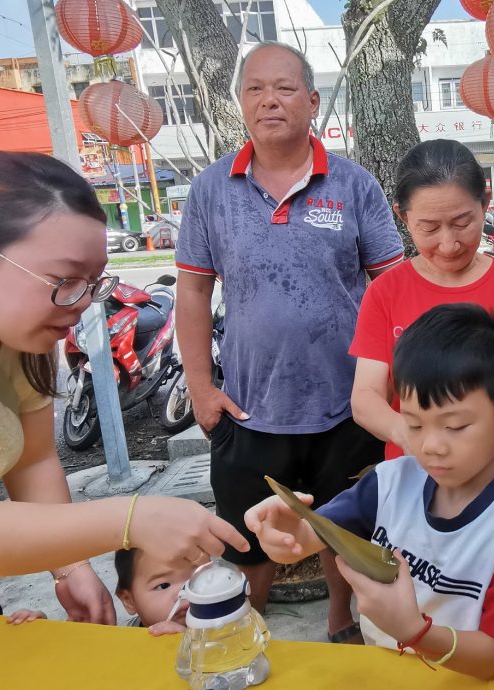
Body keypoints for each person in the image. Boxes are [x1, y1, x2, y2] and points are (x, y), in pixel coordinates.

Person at [0, 150, 249, 674]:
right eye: (64, 278)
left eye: (93, 283)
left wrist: (68, 565)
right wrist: (131, 517)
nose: (81, 304)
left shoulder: (19, 335)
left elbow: (33, 461)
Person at [174, 41, 404, 644]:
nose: (268, 100)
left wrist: (397, 382)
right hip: (251, 409)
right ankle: (240, 634)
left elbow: (393, 287)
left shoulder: (354, 186)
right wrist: (202, 389)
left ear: (312, 100)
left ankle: (340, 622)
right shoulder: (210, 190)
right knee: (249, 542)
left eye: (283, 87)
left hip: (347, 403)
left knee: (342, 530)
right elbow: (193, 294)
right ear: (242, 102)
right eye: (254, 89)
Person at [245, 304, 494, 680]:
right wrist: (286, 533)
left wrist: (415, 631)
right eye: (414, 424)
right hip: (382, 673)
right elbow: (316, 534)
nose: (431, 447)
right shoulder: (391, 481)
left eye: (455, 426)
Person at [349, 139, 494, 491]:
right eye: (428, 227)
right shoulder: (385, 292)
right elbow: (365, 398)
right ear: (402, 216)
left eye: (462, 222)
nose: (448, 243)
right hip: (415, 483)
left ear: (485, 204)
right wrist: (411, 437)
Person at [114, 547, 193, 632]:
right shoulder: (126, 641)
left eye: (197, 578)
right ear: (129, 600)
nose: (186, 592)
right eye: (163, 586)